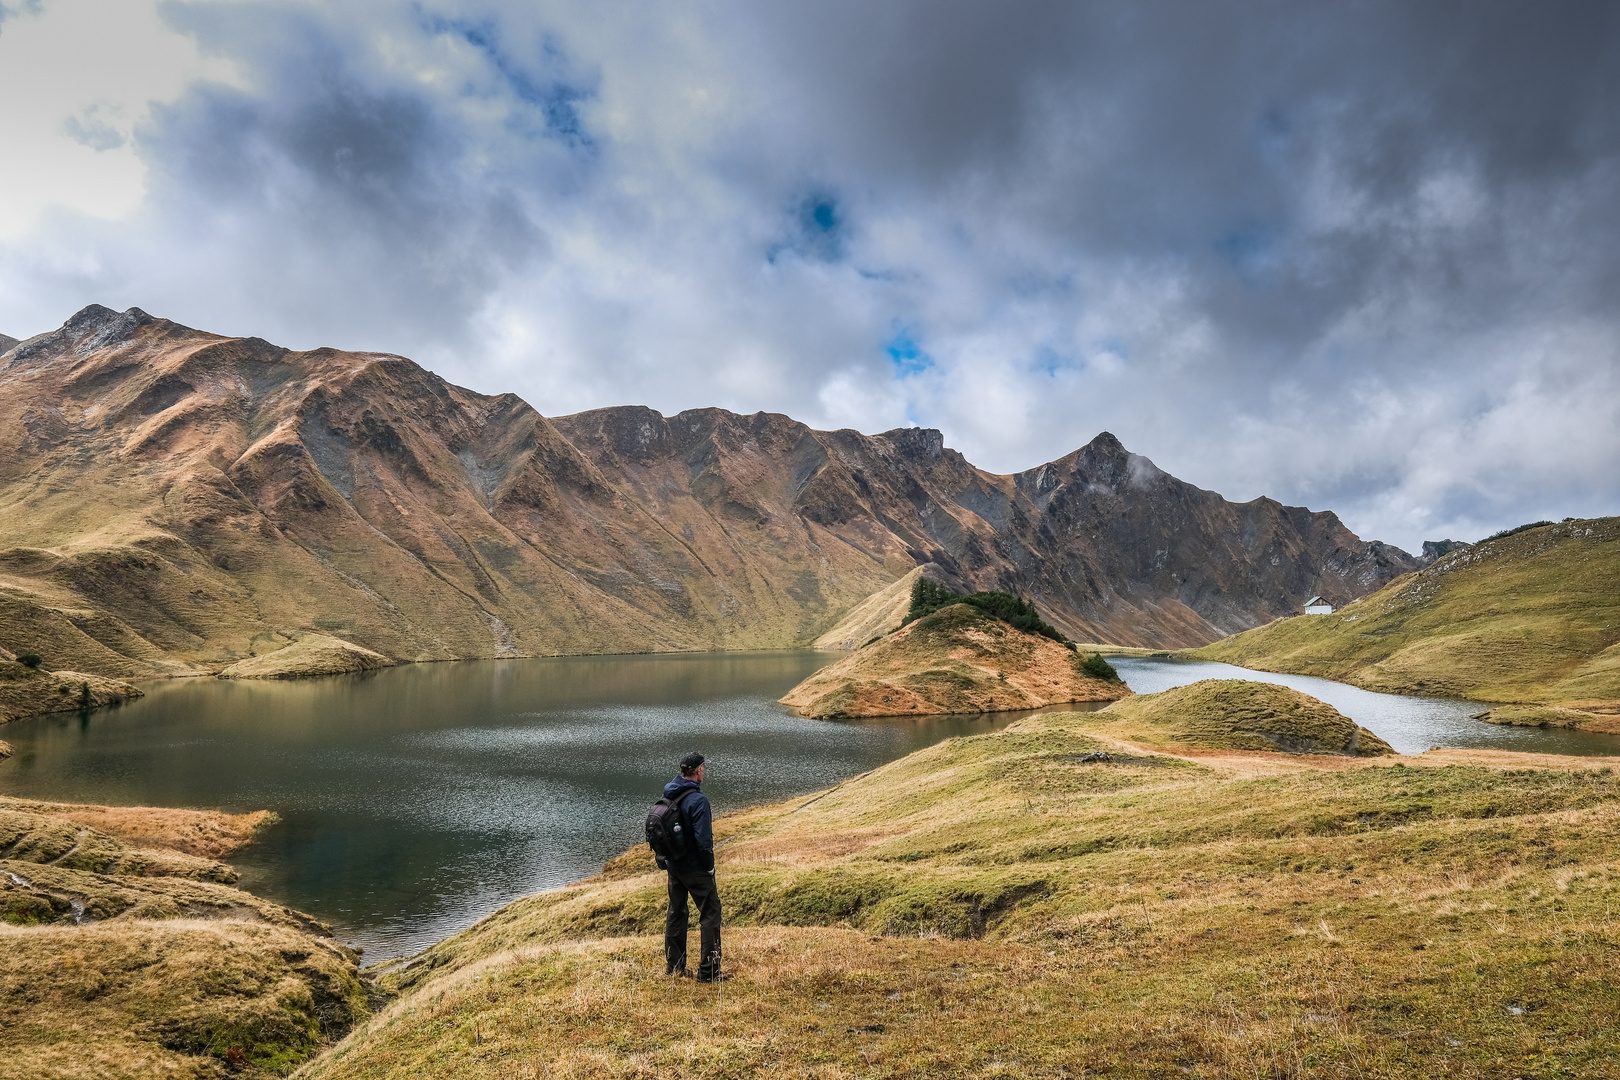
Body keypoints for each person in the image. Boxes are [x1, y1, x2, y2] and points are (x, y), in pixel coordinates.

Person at [660, 751, 725, 981]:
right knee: (710, 914)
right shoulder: (698, 801)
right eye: (703, 768)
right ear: (698, 770)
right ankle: (708, 973)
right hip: (695, 868)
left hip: (674, 866)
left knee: (676, 913)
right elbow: (704, 843)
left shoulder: (669, 794)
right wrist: (709, 869)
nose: (703, 772)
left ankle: (674, 968)